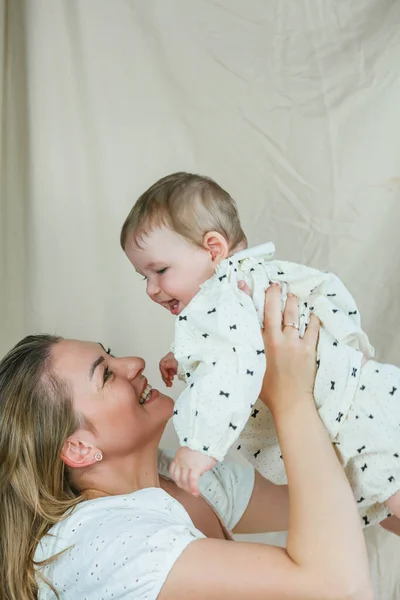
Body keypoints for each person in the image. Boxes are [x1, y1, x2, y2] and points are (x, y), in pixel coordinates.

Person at [0, 288, 372, 599]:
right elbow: (337, 585)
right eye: (107, 375)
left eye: (112, 353)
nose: (133, 363)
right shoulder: (105, 544)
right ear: (78, 449)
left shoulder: (175, 477)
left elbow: (343, 500)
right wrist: (290, 397)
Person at [121, 171, 400, 533]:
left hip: (350, 411)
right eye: (145, 277)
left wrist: (200, 445)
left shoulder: (222, 295)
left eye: (159, 271)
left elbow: (233, 365)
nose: (152, 290)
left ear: (213, 249)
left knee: (390, 495)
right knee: (385, 505)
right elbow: (238, 344)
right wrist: (184, 357)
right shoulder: (244, 281)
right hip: (355, 400)